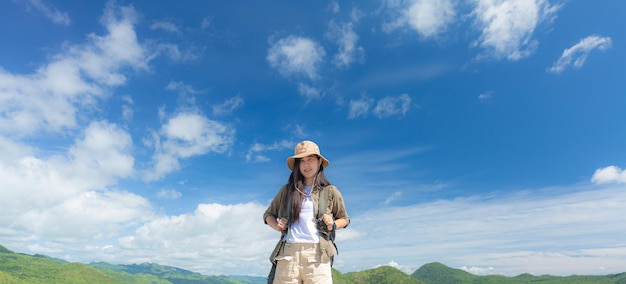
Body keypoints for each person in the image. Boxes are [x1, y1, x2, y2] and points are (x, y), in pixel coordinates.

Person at [264, 140, 350, 284]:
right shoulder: (286, 191)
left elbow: (344, 219)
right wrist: (277, 226)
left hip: (318, 255)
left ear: (319, 161)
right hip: (288, 254)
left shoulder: (330, 191)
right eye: (301, 161)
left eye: (310, 159)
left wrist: (332, 225)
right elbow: (268, 215)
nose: (306, 165)